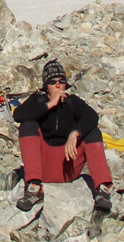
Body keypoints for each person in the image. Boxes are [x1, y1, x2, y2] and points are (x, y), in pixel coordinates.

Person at [12, 59, 112, 213]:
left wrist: (75, 133)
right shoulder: (38, 100)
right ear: (46, 85)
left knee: (92, 131)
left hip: (69, 165)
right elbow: (18, 115)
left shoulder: (72, 102)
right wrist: (49, 104)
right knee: (28, 125)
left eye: (61, 81)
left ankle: (102, 189)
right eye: (52, 82)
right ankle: (34, 189)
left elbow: (92, 117)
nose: (58, 85)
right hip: (43, 167)